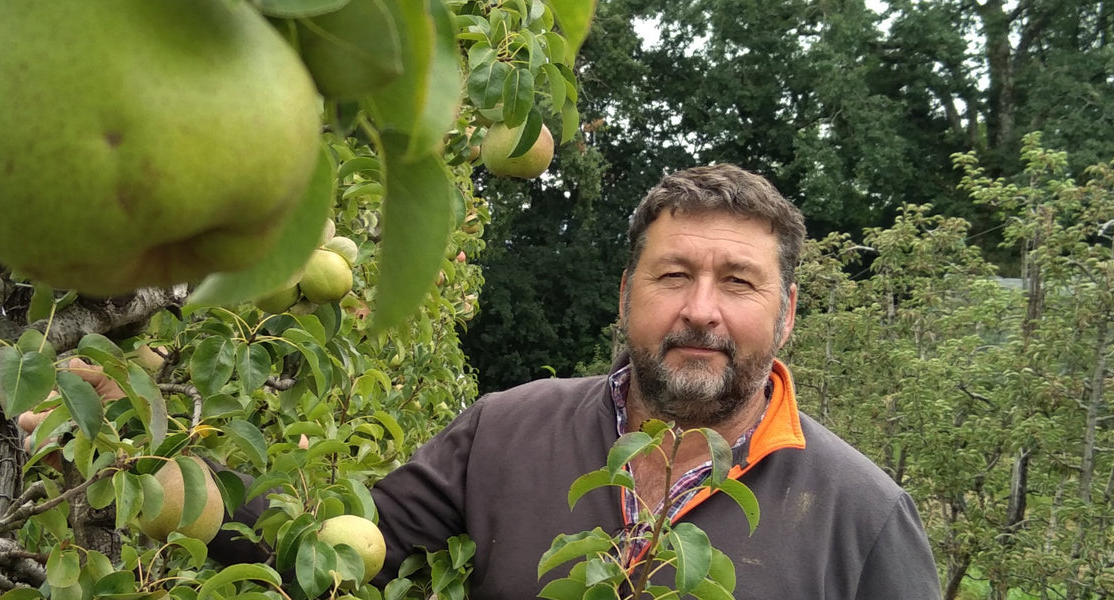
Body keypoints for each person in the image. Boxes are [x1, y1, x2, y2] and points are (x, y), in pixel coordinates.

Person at [365, 164, 942, 598]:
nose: (700, 309)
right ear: (625, 295)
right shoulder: (501, 432)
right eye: (673, 275)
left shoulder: (866, 517)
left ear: (786, 314)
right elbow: (334, 557)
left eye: (739, 282)